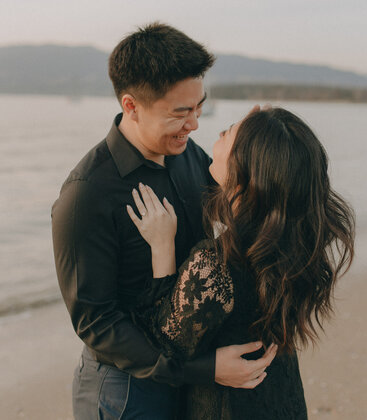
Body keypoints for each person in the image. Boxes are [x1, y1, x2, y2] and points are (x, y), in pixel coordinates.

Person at [52, 23, 277, 420]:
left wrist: (258, 150)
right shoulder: (87, 195)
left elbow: (236, 206)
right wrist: (204, 370)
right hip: (124, 392)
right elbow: (97, 324)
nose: (194, 124)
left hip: (185, 377)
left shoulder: (188, 154)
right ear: (131, 106)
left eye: (199, 107)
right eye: (180, 112)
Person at [126, 106, 356, 420]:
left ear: (244, 174)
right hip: (282, 401)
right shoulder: (293, 248)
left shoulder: (216, 265)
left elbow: (161, 344)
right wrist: (264, 130)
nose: (219, 134)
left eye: (228, 132)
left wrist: (162, 247)